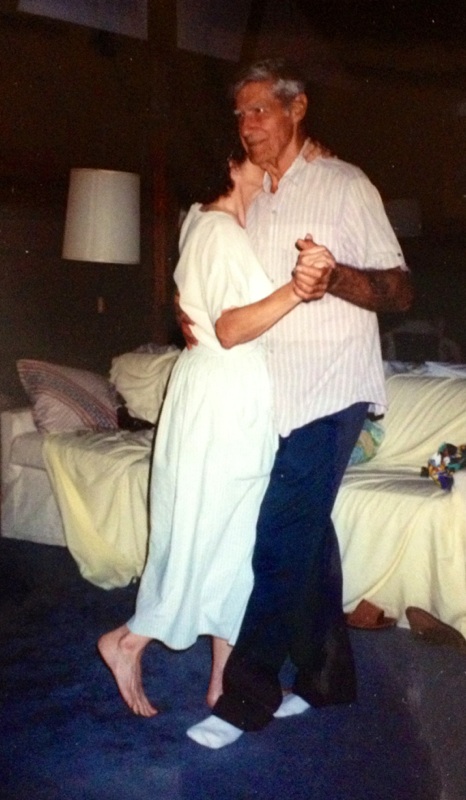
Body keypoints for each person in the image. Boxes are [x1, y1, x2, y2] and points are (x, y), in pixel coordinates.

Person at [186, 57, 414, 749]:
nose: (248, 124)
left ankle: (245, 698)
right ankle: (326, 681)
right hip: (271, 398)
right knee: (307, 533)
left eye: (260, 109)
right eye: (240, 114)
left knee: (281, 536)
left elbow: (400, 290)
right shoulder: (255, 200)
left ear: (298, 109)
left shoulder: (346, 184)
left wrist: (335, 276)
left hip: (333, 389)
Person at [97, 143, 322, 717]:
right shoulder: (219, 231)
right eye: (258, 155)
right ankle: (128, 640)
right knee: (213, 534)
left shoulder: (206, 222)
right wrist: (297, 289)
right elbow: (229, 328)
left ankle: (225, 683)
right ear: (229, 164)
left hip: (221, 392)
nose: (271, 164)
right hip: (225, 396)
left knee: (231, 540)